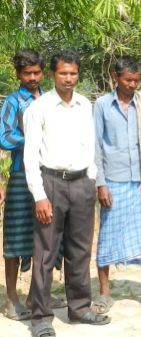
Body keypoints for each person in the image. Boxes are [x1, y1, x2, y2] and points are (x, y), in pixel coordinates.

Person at [24, 49, 111, 337]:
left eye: (73, 73)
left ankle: (80, 308)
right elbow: (29, 155)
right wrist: (39, 195)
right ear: (53, 74)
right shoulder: (39, 108)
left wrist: (93, 179)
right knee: (46, 252)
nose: (69, 78)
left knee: (80, 250)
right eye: (63, 73)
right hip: (51, 183)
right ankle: (41, 317)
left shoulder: (86, 105)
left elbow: (92, 146)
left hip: (82, 184)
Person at [93, 56, 141, 313]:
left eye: (136, 80)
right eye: (127, 80)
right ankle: (104, 293)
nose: (132, 84)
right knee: (107, 238)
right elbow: (96, 145)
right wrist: (100, 183)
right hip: (112, 180)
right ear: (115, 77)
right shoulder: (101, 105)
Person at [0, 49, 45, 321]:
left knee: (45, 238)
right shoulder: (14, 102)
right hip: (20, 176)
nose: (32, 77)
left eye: (37, 72)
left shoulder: (50, 100)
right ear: (18, 74)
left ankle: (36, 296)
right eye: (27, 73)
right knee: (15, 239)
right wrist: (33, 140)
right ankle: (12, 299)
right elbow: (4, 137)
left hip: (48, 176)